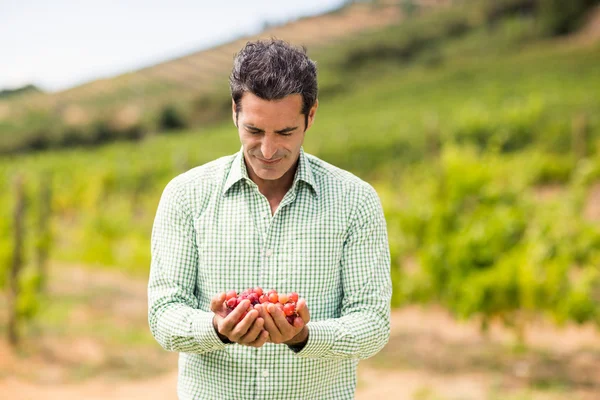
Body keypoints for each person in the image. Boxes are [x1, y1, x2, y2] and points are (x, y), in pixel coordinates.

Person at [148, 38, 392, 400]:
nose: (267, 150)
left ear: (310, 116)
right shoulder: (186, 195)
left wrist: (305, 336)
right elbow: (163, 314)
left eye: (285, 133)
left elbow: (372, 323)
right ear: (235, 112)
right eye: (254, 131)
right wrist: (216, 328)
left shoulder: (355, 201)